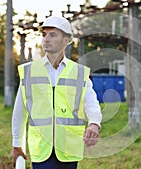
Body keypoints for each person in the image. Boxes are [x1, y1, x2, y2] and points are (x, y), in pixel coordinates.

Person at [11, 15, 102, 169]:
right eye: (44, 34)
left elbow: (91, 103)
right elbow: (20, 111)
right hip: (41, 148)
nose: (46, 39)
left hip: (68, 147)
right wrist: (16, 144)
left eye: (53, 35)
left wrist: (94, 123)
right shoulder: (30, 71)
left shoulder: (79, 72)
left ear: (66, 40)